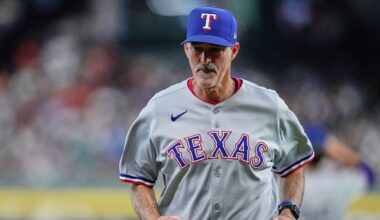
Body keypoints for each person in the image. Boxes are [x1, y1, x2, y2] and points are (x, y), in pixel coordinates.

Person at [119, 6, 314, 220]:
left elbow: (294, 166)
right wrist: (154, 219)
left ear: (234, 51)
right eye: (197, 48)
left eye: (215, 50)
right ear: (186, 50)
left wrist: (288, 210)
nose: (204, 59)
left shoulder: (269, 105)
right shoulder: (159, 108)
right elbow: (139, 181)